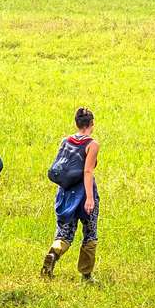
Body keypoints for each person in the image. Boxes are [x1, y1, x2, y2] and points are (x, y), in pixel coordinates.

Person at [41, 107, 100, 281]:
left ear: (76, 123)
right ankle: (86, 274)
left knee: (64, 232)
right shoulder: (92, 145)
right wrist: (90, 198)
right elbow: (88, 171)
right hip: (84, 193)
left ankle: (54, 253)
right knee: (90, 233)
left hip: (66, 192)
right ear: (92, 124)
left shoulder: (65, 141)